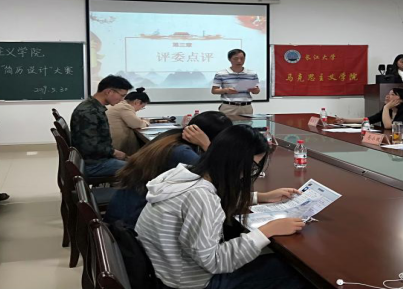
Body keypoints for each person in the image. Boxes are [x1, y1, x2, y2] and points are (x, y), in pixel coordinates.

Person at [136, 124, 310, 289]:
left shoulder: (183, 175)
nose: (249, 173)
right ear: (234, 161)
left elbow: (214, 199)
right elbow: (214, 262)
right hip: (189, 282)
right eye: (252, 166)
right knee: (295, 272)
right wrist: (267, 231)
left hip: (164, 270)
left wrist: (261, 197)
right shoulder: (201, 197)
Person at [105, 111, 233, 228]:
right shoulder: (183, 153)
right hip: (131, 224)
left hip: (124, 213)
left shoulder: (170, 137)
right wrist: (207, 146)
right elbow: (215, 179)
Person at [70, 75, 132, 177]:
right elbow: (90, 146)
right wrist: (113, 152)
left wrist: (113, 152)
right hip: (93, 164)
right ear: (109, 92)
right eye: (122, 96)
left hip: (96, 159)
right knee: (140, 169)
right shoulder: (89, 112)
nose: (122, 100)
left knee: (135, 162)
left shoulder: (93, 107)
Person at [337, 87, 403, 133]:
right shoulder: (389, 109)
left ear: (402, 99)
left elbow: (388, 126)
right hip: (393, 139)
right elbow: (370, 119)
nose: (387, 96)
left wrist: (386, 108)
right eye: (388, 94)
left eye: (392, 94)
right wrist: (346, 120)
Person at [212, 49, 260, 116]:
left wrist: (254, 90)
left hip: (246, 107)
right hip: (228, 107)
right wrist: (226, 90)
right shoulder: (221, 73)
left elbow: (257, 91)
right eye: (236, 58)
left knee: (247, 123)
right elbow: (214, 90)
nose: (239, 61)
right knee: (226, 123)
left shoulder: (252, 73)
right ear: (229, 59)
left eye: (242, 58)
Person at [107, 87, 151, 156]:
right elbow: (137, 124)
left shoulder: (121, 105)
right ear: (137, 102)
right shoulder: (124, 107)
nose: (140, 109)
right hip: (118, 147)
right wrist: (146, 122)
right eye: (142, 107)